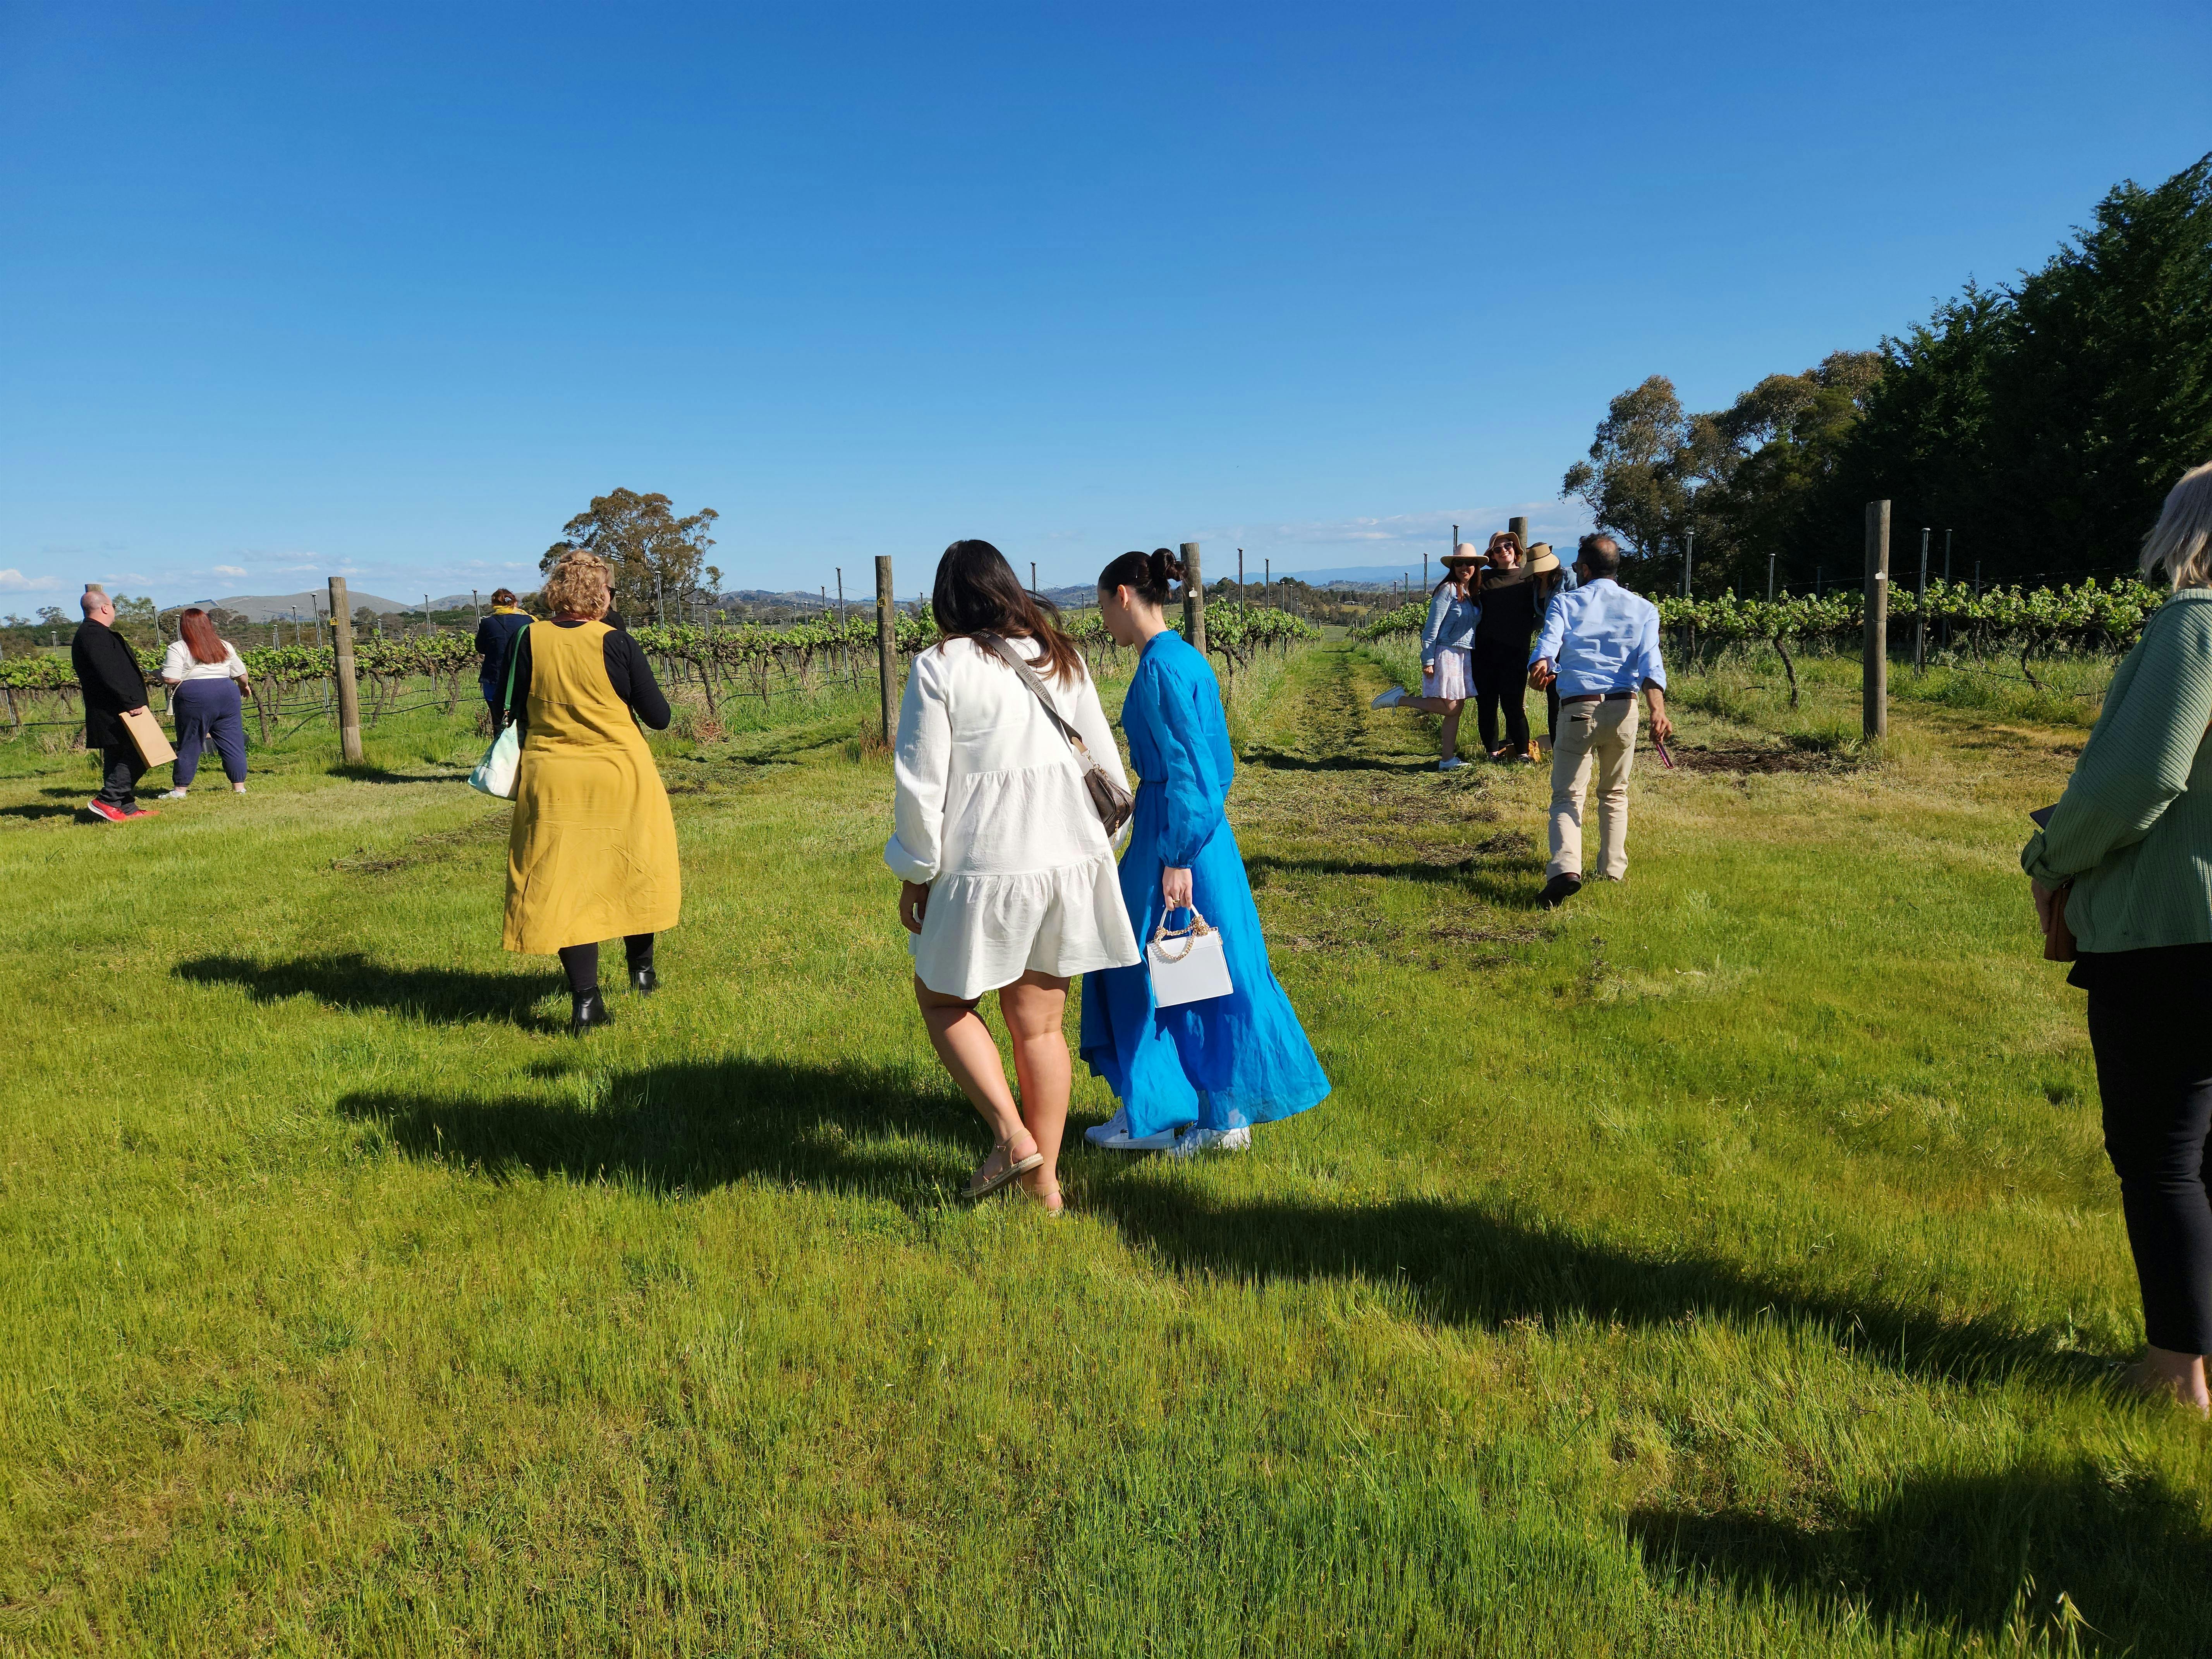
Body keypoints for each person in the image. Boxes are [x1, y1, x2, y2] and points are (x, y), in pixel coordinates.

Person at [2023, 458, 2212, 1415]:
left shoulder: (2195, 625)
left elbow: (2141, 779)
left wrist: (2053, 851)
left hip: (2174, 930)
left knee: (2163, 1155)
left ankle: (2175, 1373)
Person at [888, 540, 1140, 1211]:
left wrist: (916, 871)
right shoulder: (1063, 656)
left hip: (985, 862)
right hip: (1064, 860)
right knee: (1040, 1026)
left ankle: (1009, 1133)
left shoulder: (939, 665)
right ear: (1007, 589)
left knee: (942, 999)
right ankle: (1046, 1185)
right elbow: (1106, 766)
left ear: (949, 599)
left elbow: (922, 786)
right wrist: (1095, 847)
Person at [1081, 548, 1331, 1157]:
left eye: (1102, 606)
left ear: (1123, 596)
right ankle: (1214, 1108)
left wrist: (1177, 855)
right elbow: (1218, 766)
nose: (1103, 623)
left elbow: (1193, 769)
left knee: (1142, 967)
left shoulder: (1160, 668)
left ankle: (1170, 1113)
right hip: (1199, 832)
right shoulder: (1186, 659)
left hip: (1180, 837)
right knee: (1207, 970)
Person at [502, 551, 681, 1034]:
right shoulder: (616, 642)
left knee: (564, 884)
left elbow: (509, 706)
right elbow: (659, 717)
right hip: (620, 775)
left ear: (556, 590)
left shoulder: (527, 638)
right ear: (602, 595)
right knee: (633, 867)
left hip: (553, 780)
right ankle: (642, 973)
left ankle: (586, 1001)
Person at [1526, 534, 1672, 908]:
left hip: (1579, 708)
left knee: (1567, 796)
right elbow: (1650, 664)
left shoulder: (1566, 602)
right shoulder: (1644, 608)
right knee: (1615, 793)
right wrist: (1658, 709)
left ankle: (1565, 869)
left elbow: (1548, 644)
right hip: (1625, 709)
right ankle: (1611, 870)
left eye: (1577, 565)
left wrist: (1541, 666)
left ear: (1586, 569)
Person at [1367, 542, 1484, 771]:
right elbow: (1432, 628)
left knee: (1456, 709)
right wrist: (1428, 660)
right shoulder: (1448, 590)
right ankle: (1399, 700)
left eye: (1470, 563)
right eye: (1459, 563)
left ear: (1476, 566)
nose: (1465, 567)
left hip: (1463, 654)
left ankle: (1447, 760)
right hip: (1446, 652)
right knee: (1451, 707)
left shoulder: (1471, 592)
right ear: (1453, 566)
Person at [70, 585, 157, 823]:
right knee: (140, 754)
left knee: (119, 755)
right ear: (106, 608)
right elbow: (110, 673)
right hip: (115, 708)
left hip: (111, 708)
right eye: (114, 606)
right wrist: (131, 702)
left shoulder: (93, 633)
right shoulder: (94, 635)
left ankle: (126, 807)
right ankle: (107, 801)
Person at [156, 608, 251, 798]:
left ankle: (180, 789)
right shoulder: (224, 646)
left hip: (195, 696)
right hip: (227, 693)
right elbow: (241, 674)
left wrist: (156, 674)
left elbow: (170, 679)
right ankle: (239, 787)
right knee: (232, 741)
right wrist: (244, 687)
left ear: (184, 627)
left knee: (191, 740)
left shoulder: (178, 648)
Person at [1470, 533, 1543, 762]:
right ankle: (1492, 753)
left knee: (1514, 705)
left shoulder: (1529, 579)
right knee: (1487, 705)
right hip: (1484, 653)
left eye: (1508, 546)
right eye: (1497, 548)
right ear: (1491, 555)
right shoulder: (1483, 580)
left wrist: (1527, 629)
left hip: (1515, 653)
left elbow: (1542, 610)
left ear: (1516, 549)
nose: (1504, 550)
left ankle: (1522, 753)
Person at [1526, 543, 1575, 747]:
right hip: (1551, 648)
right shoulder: (1536, 583)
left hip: (1570, 646)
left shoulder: (1568, 577)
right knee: (1553, 698)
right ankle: (1558, 746)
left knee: (1571, 698)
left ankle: (1574, 743)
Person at [474, 588, 531, 730]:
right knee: (525, 722)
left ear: (494, 604)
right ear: (515, 603)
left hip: (494, 678)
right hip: (524, 679)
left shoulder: (488, 623)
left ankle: (501, 750)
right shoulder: (529, 621)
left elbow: (480, 648)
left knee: (499, 722)